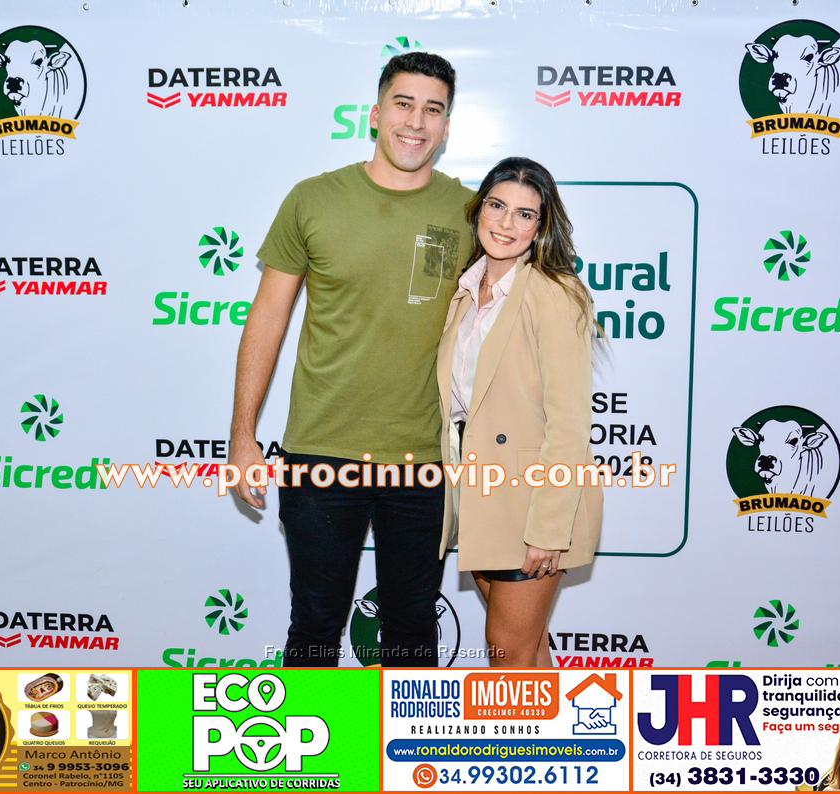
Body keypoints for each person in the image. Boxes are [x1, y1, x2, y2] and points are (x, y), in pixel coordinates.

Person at [229, 52, 475, 667]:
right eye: (403, 104)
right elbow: (267, 317)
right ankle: (314, 733)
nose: (415, 121)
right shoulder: (313, 199)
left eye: (433, 109)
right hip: (321, 451)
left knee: (414, 633)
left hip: (424, 458)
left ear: (447, 126)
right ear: (374, 114)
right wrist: (242, 435)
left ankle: (405, 737)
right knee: (314, 627)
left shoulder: (473, 214)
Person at [437, 157, 603, 667]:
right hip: (479, 495)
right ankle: (557, 724)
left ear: (541, 227)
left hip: (531, 502)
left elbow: (569, 423)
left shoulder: (553, 292)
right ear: (478, 210)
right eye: (497, 206)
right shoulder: (465, 292)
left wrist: (548, 529)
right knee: (526, 653)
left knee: (508, 654)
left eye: (525, 214)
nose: (506, 223)